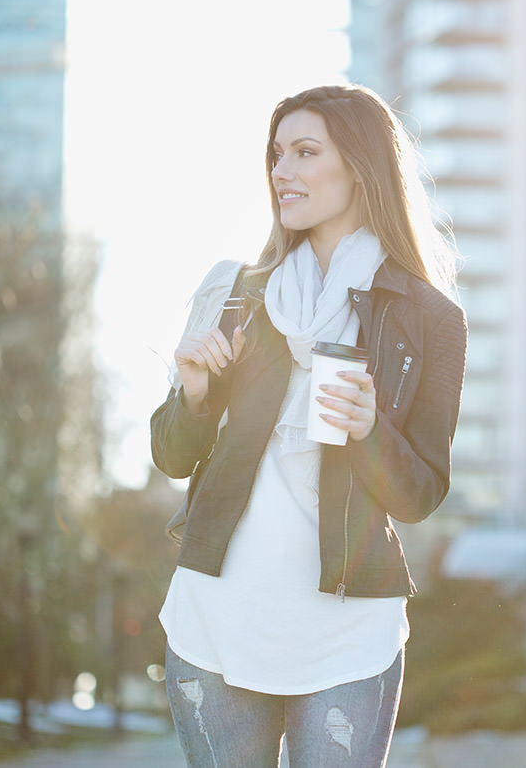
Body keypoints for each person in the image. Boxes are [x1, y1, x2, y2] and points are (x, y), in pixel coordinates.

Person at [150, 84, 467, 768]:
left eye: (303, 152)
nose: (280, 171)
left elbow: (418, 495)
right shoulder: (236, 293)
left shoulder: (430, 320)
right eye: (276, 154)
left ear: (357, 166)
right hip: (217, 622)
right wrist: (196, 394)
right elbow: (172, 454)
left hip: (347, 635)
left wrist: (368, 430)